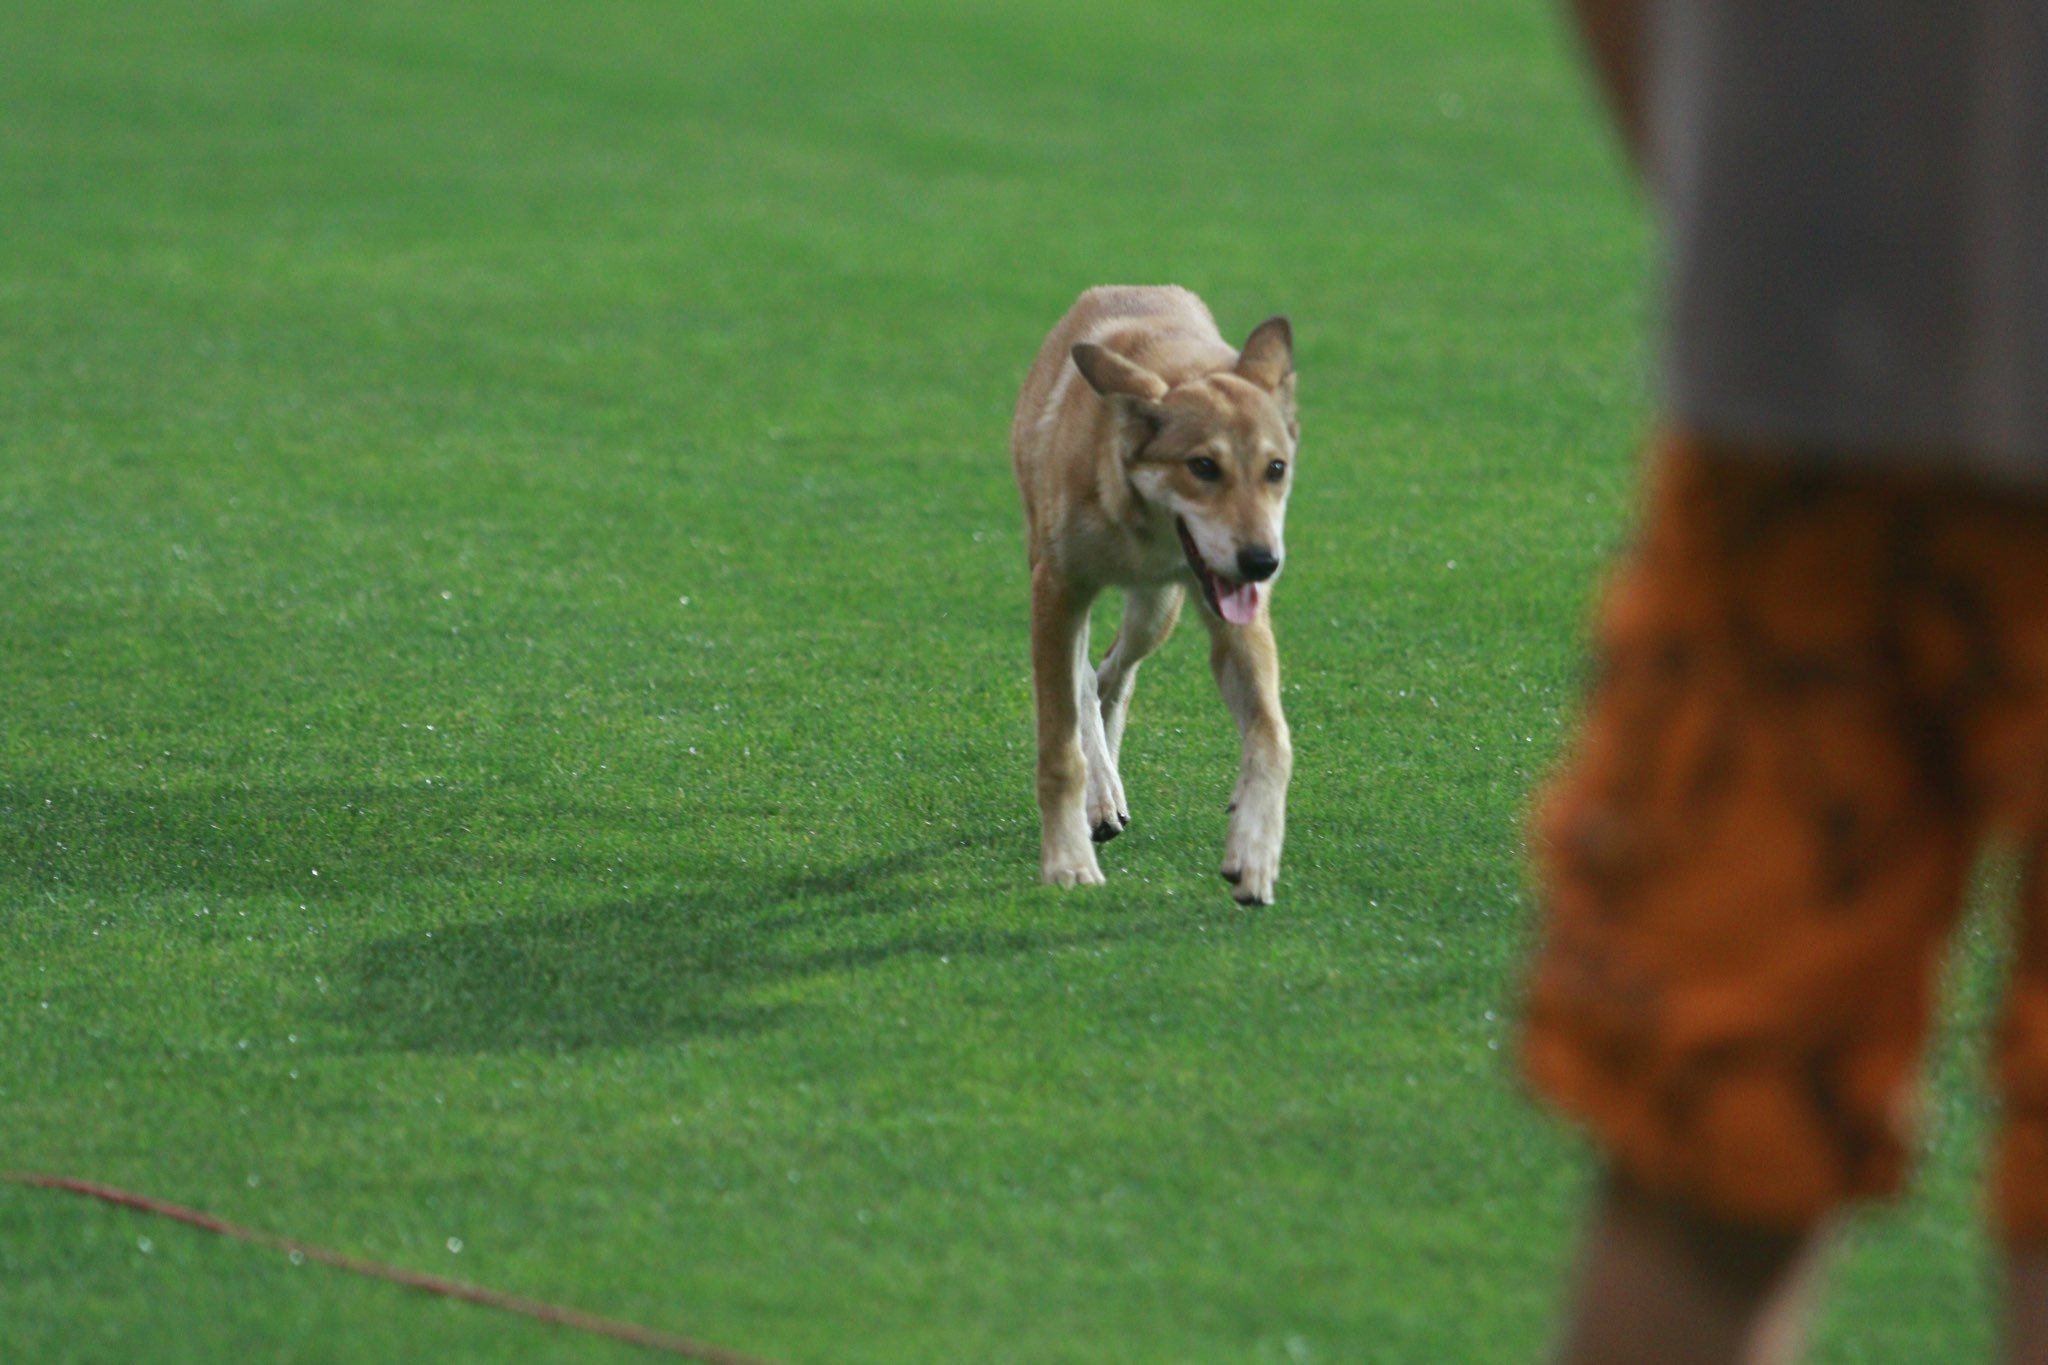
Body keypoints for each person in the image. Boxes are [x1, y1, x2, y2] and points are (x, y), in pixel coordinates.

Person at [1521, 3, 2048, 1361]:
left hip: (1806, 381)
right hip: (1798, 432)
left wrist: (1764, 221)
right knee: (1705, 1150)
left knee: (1705, 1141)